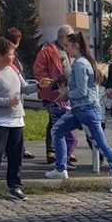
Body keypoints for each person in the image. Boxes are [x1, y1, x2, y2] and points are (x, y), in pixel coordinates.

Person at [45, 31, 112, 194]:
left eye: (67, 46)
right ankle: (60, 168)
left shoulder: (79, 64)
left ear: (75, 46)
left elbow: (82, 91)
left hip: (87, 109)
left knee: (101, 144)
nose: (65, 50)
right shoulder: (83, 61)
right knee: (58, 130)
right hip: (81, 109)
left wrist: (66, 94)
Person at [0, 37, 38, 203]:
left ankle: (15, 187)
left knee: (16, 156)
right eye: (10, 53)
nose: (13, 56)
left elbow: (24, 88)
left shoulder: (14, 69)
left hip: (17, 120)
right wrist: (6, 102)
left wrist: (39, 85)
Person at [33, 24, 78, 165]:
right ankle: (52, 151)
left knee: (66, 120)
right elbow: (39, 70)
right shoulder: (48, 50)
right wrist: (52, 86)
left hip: (68, 92)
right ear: (63, 36)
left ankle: (66, 150)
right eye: (70, 36)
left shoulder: (70, 50)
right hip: (54, 92)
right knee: (54, 121)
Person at [5, 27, 36, 160]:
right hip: (13, 95)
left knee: (18, 123)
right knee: (12, 124)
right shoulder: (10, 57)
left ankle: (19, 149)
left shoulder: (13, 56)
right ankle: (12, 150)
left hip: (19, 92)